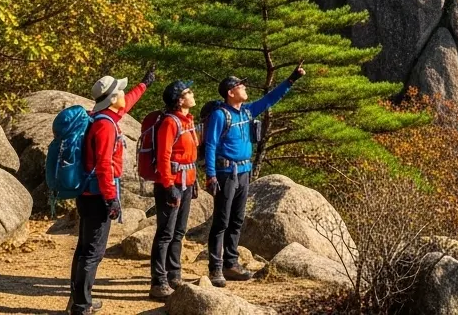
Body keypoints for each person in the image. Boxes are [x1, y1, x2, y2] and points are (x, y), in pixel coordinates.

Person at [204, 64, 305, 287]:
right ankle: (215, 269)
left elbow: (270, 99)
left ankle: (231, 264)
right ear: (231, 92)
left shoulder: (248, 111)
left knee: (237, 219)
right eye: (240, 85)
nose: (245, 87)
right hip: (225, 173)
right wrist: (211, 176)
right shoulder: (220, 115)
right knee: (221, 221)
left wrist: (291, 79)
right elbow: (210, 145)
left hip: (243, 173)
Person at [68, 68, 154, 315]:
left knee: (85, 249)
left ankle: (78, 300)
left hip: (88, 193)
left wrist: (144, 85)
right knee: (92, 252)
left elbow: (126, 107)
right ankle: (82, 305)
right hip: (97, 195)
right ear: (114, 97)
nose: (125, 95)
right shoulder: (106, 127)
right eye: (122, 92)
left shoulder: (102, 117)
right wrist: (110, 199)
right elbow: (104, 164)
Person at [149, 80, 200, 300]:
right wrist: (169, 186)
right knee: (165, 233)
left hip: (186, 182)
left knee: (178, 232)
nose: (193, 93)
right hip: (171, 184)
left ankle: (174, 274)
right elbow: (163, 156)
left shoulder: (187, 120)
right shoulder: (170, 122)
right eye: (189, 92)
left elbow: (188, 155)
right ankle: (158, 282)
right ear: (180, 100)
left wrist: (193, 180)